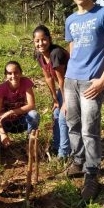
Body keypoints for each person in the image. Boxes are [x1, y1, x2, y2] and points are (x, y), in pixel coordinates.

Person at [64, 0, 104, 200]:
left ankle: (92, 172)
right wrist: (68, 76)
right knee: (72, 124)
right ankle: (78, 160)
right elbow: (72, 49)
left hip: (92, 82)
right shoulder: (70, 20)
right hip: (71, 80)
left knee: (90, 129)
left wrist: (103, 79)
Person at [33, 25, 71, 159]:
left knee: (63, 116)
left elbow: (62, 80)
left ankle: (64, 153)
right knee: (55, 113)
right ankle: (56, 146)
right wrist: (55, 100)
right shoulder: (40, 55)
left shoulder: (56, 54)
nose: (40, 43)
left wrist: (65, 102)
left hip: (72, 85)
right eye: (37, 41)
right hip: (63, 88)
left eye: (43, 40)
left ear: (49, 39)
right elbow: (48, 77)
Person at [0, 61, 40, 148]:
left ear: (20, 73)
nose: (13, 76)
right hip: (4, 123)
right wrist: (2, 133)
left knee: (34, 115)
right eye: (9, 73)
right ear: (6, 75)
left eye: (16, 72)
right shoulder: (1, 89)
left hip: (21, 121)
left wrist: (11, 112)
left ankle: (30, 144)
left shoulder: (26, 83)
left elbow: (31, 105)